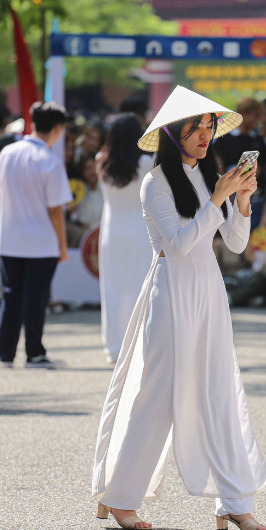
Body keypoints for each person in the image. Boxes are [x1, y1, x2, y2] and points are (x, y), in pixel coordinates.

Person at [92, 86, 266, 530]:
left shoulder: (211, 178)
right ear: (174, 133)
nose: (206, 134)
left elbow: (235, 243)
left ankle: (233, 501)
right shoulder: (154, 183)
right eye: (197, 127)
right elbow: (178, 245)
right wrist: (217, 199)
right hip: (171, 292)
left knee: (219, 391)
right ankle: (121, 496)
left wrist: (241, 200)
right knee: (157, 395)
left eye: (210, 125)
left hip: (208, 289)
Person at [0, 102, 72, 370]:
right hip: (41, 241)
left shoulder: (7, 153)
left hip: (9, 239)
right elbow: (56, 210)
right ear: (58, 128)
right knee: (36, 299)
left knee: (11, 298)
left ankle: (5, 354)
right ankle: (34, 352)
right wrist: (62, 245)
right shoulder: (49, 161)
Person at [97, 114, 154, 363]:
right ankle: (137, 344)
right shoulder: (147, 163)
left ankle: (113, 347)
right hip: (141, 231)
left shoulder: (102, 162)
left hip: (112, 232)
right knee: (139, 286)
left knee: (112, 288)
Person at [213, 97, 266, 172]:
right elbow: (218, 165)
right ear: (243, 113)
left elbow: (264, 163)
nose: (258, 119)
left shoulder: (258, 138)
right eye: (256, 115)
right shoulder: (223, 138)